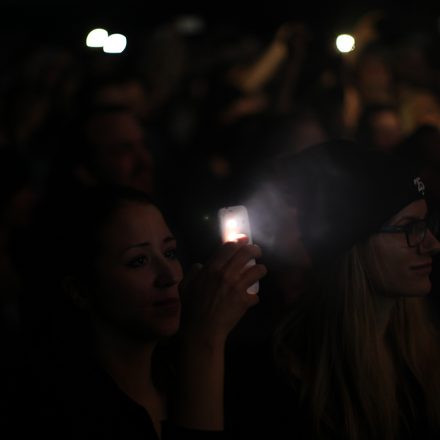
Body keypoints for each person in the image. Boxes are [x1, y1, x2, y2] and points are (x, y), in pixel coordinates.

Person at [14, 184, 266, 439]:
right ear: (80, 290)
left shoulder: (196, 378)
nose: (168, 276)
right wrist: (203, 341)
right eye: (138, 261)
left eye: (169, 253)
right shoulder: (61, 409)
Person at [270, 140, 440, 439]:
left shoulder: (422, 351)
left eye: (426, 224)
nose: (432, 244)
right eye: (408, 228)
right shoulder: (291, 375)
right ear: (351, 247)